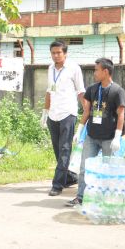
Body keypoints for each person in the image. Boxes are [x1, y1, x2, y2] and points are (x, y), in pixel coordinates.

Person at [66, 58, 125, 207]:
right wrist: (79, 130)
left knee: (109, 169)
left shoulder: (117, 91)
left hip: (109, 138)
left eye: (96, 70)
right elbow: (87, 111)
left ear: (105, 71)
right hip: (91, 137)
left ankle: (108, 199)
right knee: (84, 168)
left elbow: (121, 114)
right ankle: (81, 197)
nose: (94, 73)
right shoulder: (92, 89)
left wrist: (117, 137)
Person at [40, 40, 86, 196]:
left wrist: (86, 113)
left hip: (68, 113)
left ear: (65, 53)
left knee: (65, 148)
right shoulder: (50, 68)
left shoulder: (74, 68)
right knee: (57, 150)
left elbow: (81, 91)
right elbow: (49, 91)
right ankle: (69, 178)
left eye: (59, 52)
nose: (56, 55)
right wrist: (45, 112)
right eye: (53, 53)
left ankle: (57, 185)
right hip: (53, 114)